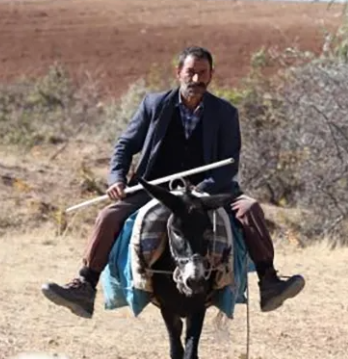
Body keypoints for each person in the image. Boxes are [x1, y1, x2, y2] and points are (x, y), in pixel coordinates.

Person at [41, 45, 305, 319]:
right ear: (178, 72)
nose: (196, 79)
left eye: (202, 73)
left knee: (250, 210)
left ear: (211, 75)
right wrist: (117, 178)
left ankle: (270, 282)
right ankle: (84, 286)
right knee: (108, 216)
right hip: (156, 189)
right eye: (190, 72)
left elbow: (229, 165)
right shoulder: (153, 105)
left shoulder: (225, 113)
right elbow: (124, 145)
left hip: (209, 190)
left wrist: (200, 193)